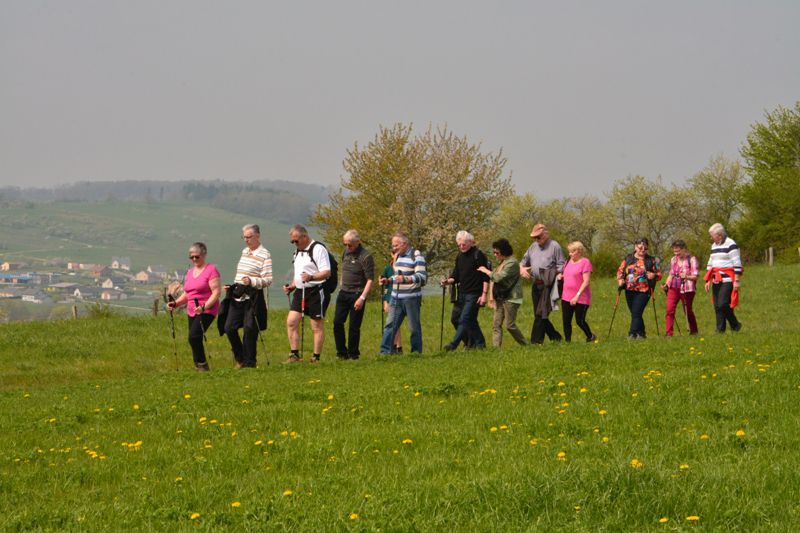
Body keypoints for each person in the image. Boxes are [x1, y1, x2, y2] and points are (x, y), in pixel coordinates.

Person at [222, 224, 272, 368]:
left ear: (257, 236)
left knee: (250, 329)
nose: (246, 240)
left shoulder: (265, 254)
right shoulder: (245, 251)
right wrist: (232, 286)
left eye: (249, 237)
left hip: (253, 296)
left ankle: (250, 363)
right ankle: (240, 358)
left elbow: (268, 279)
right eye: (244, 237)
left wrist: (252, 281)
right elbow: (241, 275)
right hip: (238, 295)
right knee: (229, 327)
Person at [167, 242, 221, 371]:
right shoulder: (190, 272)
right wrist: (176, 303)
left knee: (194, 336)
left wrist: (204, 307)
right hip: (191, 309)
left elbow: (216, 292)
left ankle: (202, 366)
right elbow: (188, 293)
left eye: (197, 257)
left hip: (207, 308)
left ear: (204, 255)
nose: (194, 259)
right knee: (193, 338)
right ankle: (198, 365)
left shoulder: (211, 270)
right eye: (192, 257)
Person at [284, 224, 331, 363]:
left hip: (316, 290)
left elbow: (326, 272)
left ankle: (315, 357)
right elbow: (299, 273)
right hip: (300, 291)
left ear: (304, 236)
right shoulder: (297, 252)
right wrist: (292, 286)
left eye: (296, 240)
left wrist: (311, 277)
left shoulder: (318, 249)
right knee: (291, 322)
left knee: (316, 325)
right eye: (292, 241)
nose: (294, 243)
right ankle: (294, 354)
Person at [379, 232, 427, 355]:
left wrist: (406, 279)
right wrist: (388, 280)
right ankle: (385, 353)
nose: (393, 248)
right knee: (390, 326)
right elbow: (397, 276)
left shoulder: (416, 256)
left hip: (411, 298)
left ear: (404, 244)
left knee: (414, 327)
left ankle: (415, 353)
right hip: (396, 297)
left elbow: (422, 278)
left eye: (396, 245)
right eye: (393, 246)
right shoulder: (398, 257)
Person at [441, 231, 489, 351]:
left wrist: (484, 295)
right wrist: (448, 281)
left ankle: (453, 345)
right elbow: (456, 275)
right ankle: (478, 344)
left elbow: (485, 277)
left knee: (465, 319)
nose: (461, 247)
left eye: (464, 244)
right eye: (459, 245)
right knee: (458, 319)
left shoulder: (478, 255)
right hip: (461, 293)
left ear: (470, 242)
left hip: (474, 294)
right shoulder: (459, 256)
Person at [519, 223, 565, 344]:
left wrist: (555, 274)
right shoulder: (533, 247)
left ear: (546, 234)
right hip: (536, 284)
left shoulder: (555, 246)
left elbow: (561, 265)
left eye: (539, 237)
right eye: (535, 237)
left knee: (541, 313)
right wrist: (522, 269)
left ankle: (535, 342)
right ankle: (556, 337)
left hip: (549, 284)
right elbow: (522, 263)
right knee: (539, 314)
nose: (536, 239)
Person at [333, 230, 375, 360]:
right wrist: (341, 285)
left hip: (357, 293)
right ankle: (341, 353)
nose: (347, 247)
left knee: (354, 326)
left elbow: (370, 280)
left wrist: (362, 298)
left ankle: (353, 354)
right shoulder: (345, 252)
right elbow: (343, 269)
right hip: (343, 293)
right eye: (345, 244)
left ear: (358, 242)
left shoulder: (366, 256)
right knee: (337, 323)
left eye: (350, 244)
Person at [477, 238, 527, 347]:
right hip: (501, 297)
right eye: (494, 252)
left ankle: (525, 344)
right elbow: (494, 279)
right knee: (496, 324)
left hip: (512, 297)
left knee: (509, 325)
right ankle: (496, 349)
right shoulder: (503, 262)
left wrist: (485, 270)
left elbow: (498, 277)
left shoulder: (512, 263)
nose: (495, 254)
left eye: (497, 252)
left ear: (504, 251)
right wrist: (491, 297)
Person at [616, 237, 661, 339]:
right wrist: (620, 280)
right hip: (629, 289)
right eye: (640, 247)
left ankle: (632, 334)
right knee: (636, 313)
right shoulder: (628, 258)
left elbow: (659, 274)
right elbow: (620, 271)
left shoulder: (652, 260)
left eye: (645, 248)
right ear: (635, 247)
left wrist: (653, 275)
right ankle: (642, 333)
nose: (642, 250)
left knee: (636, 311)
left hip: (644, 290)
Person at [704, 223, 743, 333]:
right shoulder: (714, 245)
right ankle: (720, 330)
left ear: (719, 235)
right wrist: (708, 280)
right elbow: (711, 262)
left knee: (723, 304)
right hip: (716, 278)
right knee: (717, 305)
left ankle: (735, 324)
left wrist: (736, 280)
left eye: (712, 235)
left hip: (728, 279)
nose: (710, 237)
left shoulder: (731, 244)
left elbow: (737, 263)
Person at [560, 241, 596, 342]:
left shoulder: (585, 263)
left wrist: (577, 296)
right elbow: (568, 276)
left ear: (579, 251)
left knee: (579, 321)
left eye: (572, 252)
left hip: (581, 298)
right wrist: (560, 276)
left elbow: (586, 281)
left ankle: (590, 337)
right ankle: (568, 342)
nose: (570, 254)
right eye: (569, 252)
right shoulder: (567, 262)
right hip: (566, 296)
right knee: (566, 321)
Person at [663, 239, 699, 336]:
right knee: (669, 310)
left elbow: (696, 277)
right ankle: (668, 334)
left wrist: (686, 276)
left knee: (687, 310)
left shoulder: (691, 259)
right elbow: (671, 274)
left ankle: (694, 331)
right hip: (673, 287)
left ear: (684, 249)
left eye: (678, 251)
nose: (676, 253)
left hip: (687, 289)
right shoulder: (673, 260)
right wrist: (666, 284)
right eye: (675, 251)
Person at [382, 263, 403, 353]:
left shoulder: (403, 266)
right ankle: (395, 346)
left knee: (396, 323)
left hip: (402, 296)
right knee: (392, 323)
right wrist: (385, 301)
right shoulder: (387, 268)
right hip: (390, 297)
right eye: (394, 252)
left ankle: (397, 346)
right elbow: (385, 285)